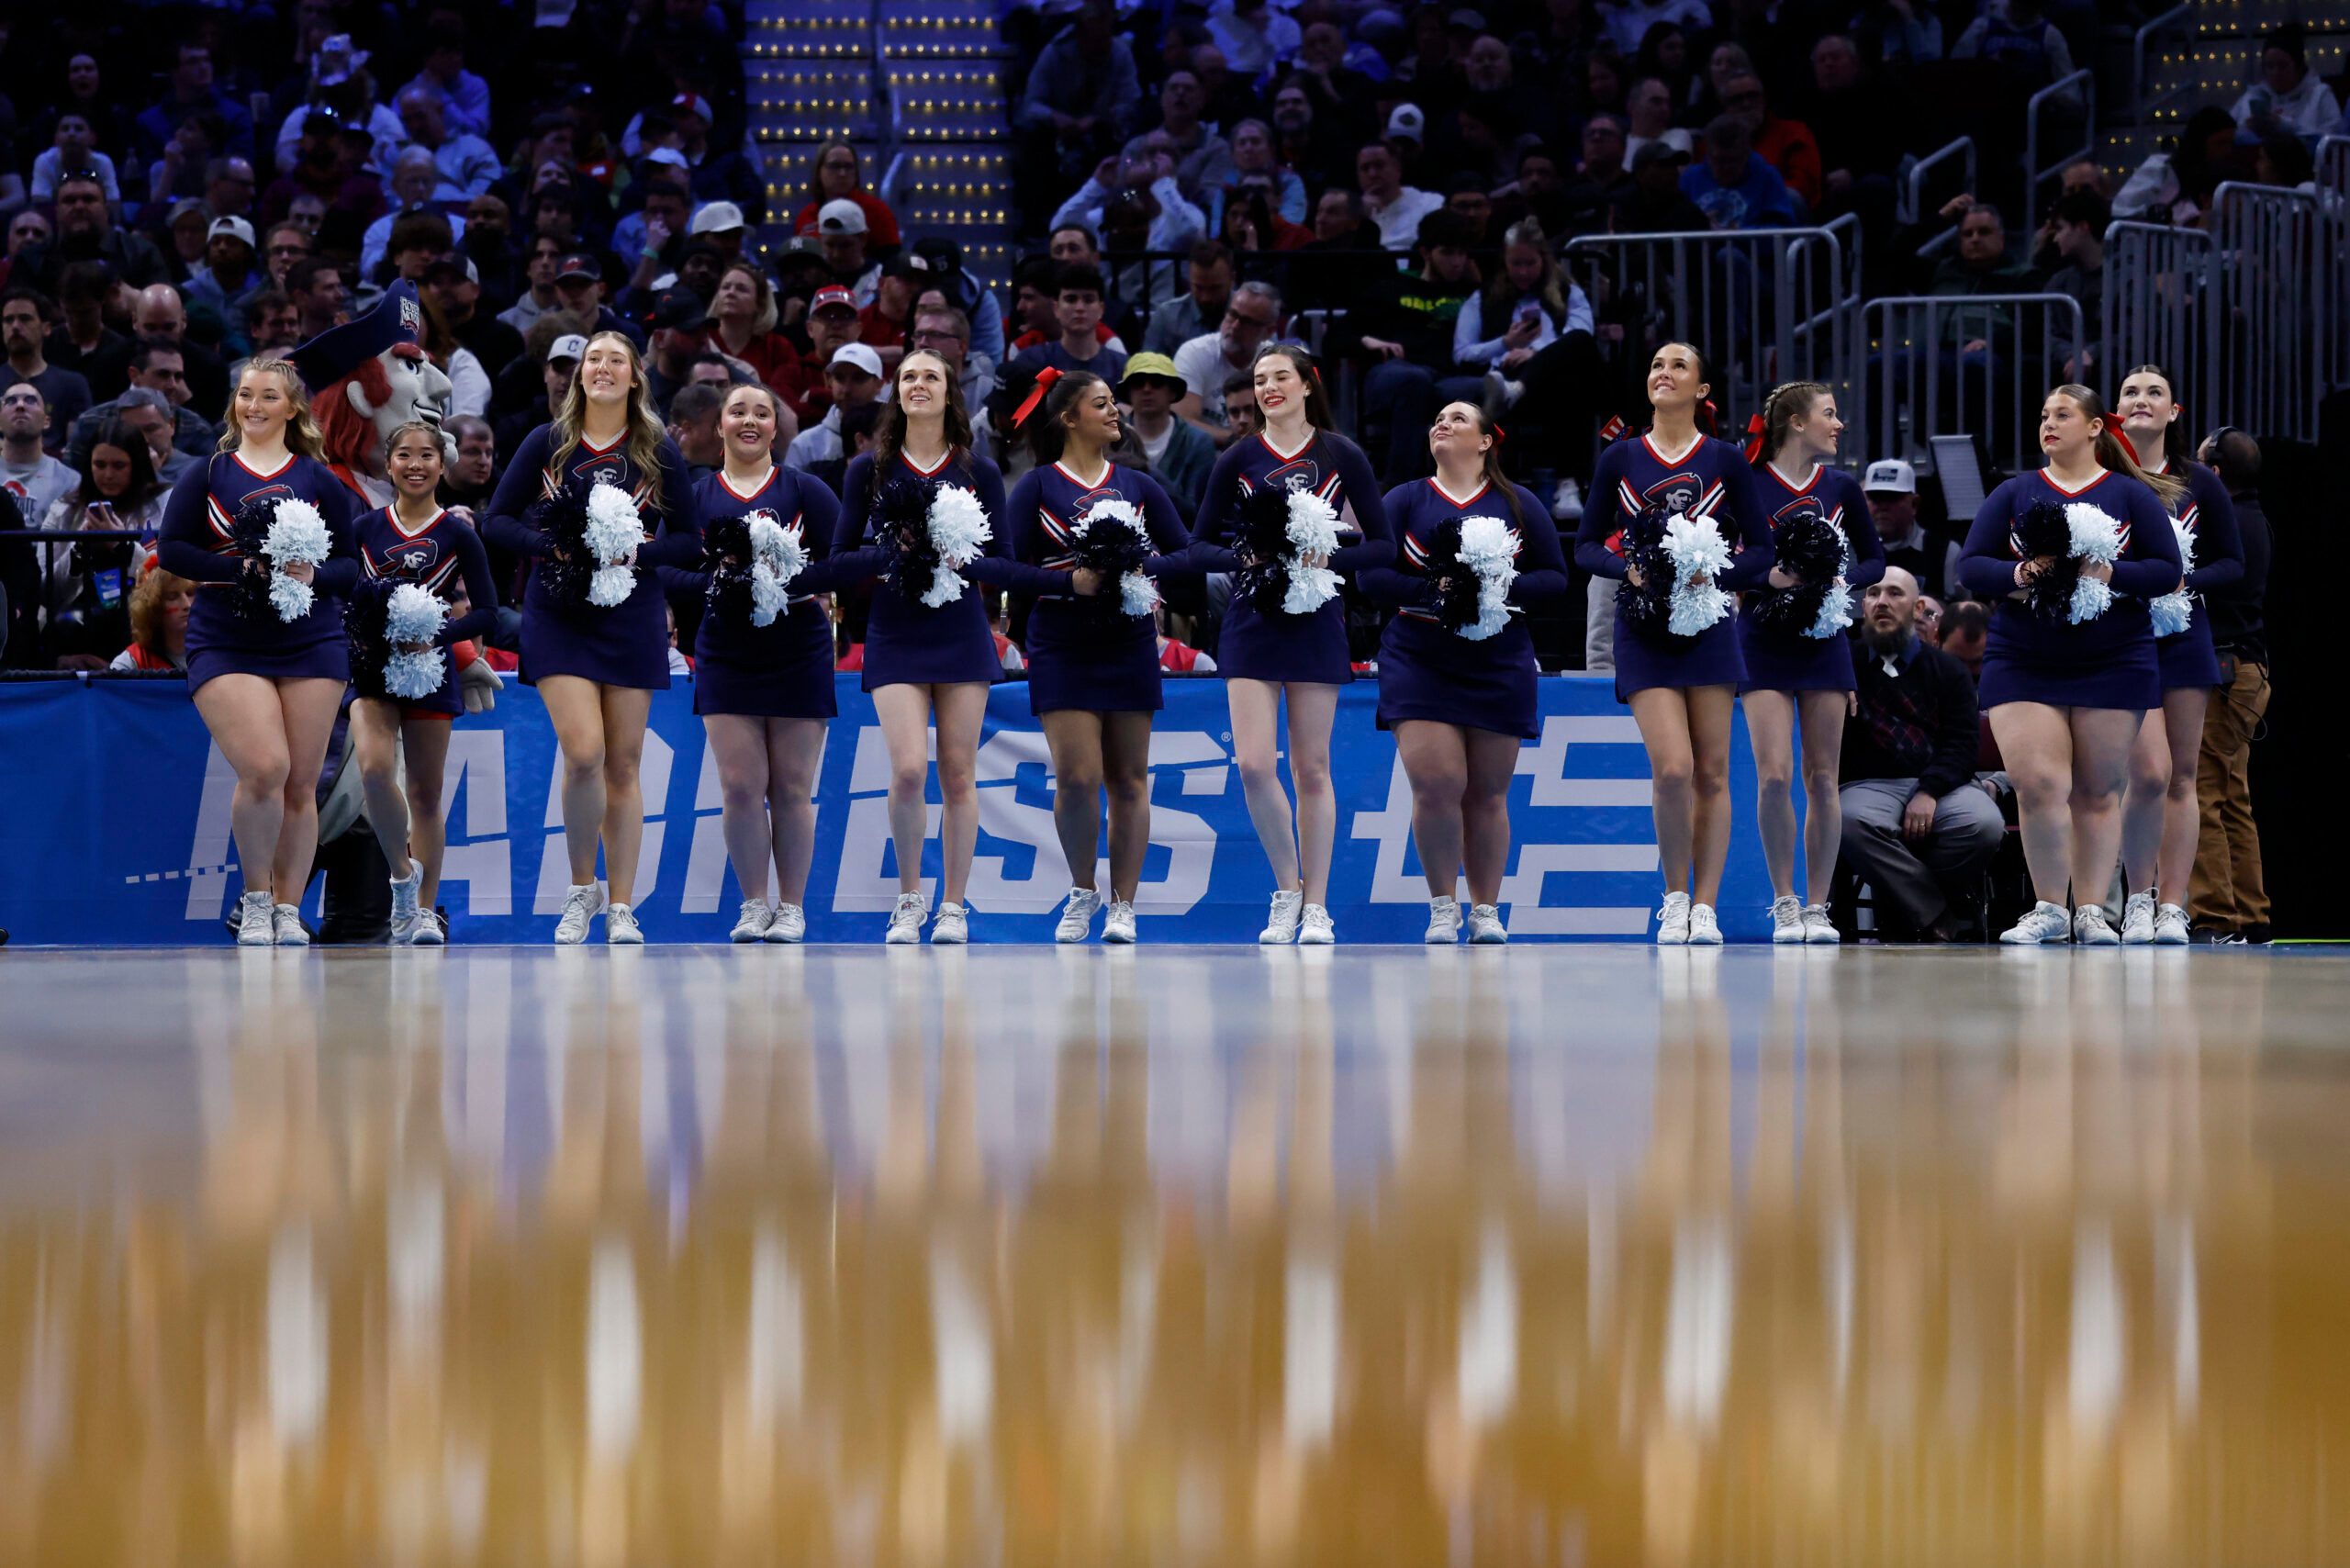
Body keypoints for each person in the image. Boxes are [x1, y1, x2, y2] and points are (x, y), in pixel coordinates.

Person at [484, 331, 701, 945]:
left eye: (616, 360)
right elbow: (497, 520)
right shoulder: (548, 443)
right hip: (557, 613)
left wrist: (640, 551)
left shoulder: (656, 448)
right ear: (580, 377)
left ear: (636, 377)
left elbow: (690, 540)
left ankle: (624, 904)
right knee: (584, 754)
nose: (602, 368)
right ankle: (583, 890)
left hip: (631, 613)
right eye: (593, 360)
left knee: (624, 763)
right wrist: (551, 547)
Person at [1954, 385, 2183, 945]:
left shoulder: (2130, 496)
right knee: (2038, 784)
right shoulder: (2015, 492)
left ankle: (2092, 911)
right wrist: (2023, 573)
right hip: (2024, 656)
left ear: (2094, 428)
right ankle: (2050, 908)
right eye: (2043, 415)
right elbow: (1971, 566)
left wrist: (2110, 575)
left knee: (2099, 791)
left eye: (2062, 414)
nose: (2049, 424)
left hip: (2114, 657)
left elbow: (2166, 571)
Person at [1187, 342, 1394, 944]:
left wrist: (1333, 549)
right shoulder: (1238, 457)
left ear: (1308, 383)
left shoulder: (1340, 453)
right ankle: (1287, 890)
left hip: (1316, 614)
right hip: (1253, 617)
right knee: (1253, 764)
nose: (1269, 387)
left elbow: (1381, 546)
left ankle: (1319, 905)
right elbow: (1198, 548)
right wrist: (1246, 556)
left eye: (1281, 376)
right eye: (1260, 379)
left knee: (1312, 766)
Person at [1574, 342, 1779, 945]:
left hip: (1709, 625)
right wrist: (1628, 570)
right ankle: (1675, 895)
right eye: (1656, 364)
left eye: (1678, 366)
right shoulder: (1620, 458)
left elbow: (1762, 551)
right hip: (1643, 628)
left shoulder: (1726, 460)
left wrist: (1715, 571)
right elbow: (1586, 546)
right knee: (1672, 769)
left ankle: (1706, 906)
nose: (1663, 373)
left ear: (1703, 391)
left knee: (1712, 773)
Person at [154, 359, 363, 946]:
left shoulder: (320, 480)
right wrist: (237, 567)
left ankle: (290, 911)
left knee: (300, 782)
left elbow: (349, 567)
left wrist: (310, 573)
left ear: (292, 408)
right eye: (245, 395)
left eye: (267, 396)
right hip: (226, 639)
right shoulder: (209, 473)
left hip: (311, 640)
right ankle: (255, 899)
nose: (253, 405)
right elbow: (172, 550)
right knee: (266, 766)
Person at [830, 349, 1020, 945]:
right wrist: (895, 550)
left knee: (959, 773)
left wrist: (963, 557)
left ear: (949, 392)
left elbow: (1004, 561)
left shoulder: (977, 469)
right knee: (910, 768)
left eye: (930, 376)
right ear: (897, 392)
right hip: (895, 629)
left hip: (960, 628)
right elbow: (839, 559)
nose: (918, 384)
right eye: (908, 376)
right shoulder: (869, 469)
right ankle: (909, 898)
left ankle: (955, 905)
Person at [1361, 402, 1569, 944]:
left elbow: (1555, 577)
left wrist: (1494, 588)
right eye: (1436, 419)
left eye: (1456, 418)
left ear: (1484, 442)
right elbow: (1371, 573)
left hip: (1498, 659)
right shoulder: (1405, 498)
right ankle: (1441, 905)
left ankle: (1486, 909)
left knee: (1488, 794)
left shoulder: (1517, 503)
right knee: (1436, 785)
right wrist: (1435, 590)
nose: (1441, 424)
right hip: (1419, 657)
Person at [1002, 369, 1193, 943]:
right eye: (1104, 404)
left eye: (1116, 405)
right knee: (1078, 777)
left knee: (1130, 778)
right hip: (1062, 642)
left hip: (1128, 640)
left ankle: (1123, 905)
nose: (1118, 413)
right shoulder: (1037, 486)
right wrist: (1069, 583)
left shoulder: (1138, 485)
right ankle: (1082, 891)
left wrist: (1135, 568)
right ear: (1069, 418)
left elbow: (1184, 556)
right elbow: (1005, 569)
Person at [676, 383, 855, 944]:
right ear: (719, 426)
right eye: (738, 412)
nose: (749, 421)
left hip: (797, 645)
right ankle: (754, 903)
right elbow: (661, 567)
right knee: (739, 785)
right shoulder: (696, 495)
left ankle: (793, 906)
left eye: (762, 412)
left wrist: (785, 581)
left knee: (793, 787)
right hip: (726, 648)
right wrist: (721, 584)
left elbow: (846, 561)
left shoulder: (806, 490)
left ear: (778, 429)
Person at [1740, 382, 1886, 943]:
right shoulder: (1749, 484)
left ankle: (1819, 906)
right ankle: (1784, 900)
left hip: (1823, 638)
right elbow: (1729, 560)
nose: (1839, 423)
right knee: (1774, 775)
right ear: (1796, 423)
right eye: (1830, 413)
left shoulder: (1842, 486)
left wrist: (1836, 576)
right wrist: (1769, 577)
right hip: (1762, 636)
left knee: (1823, 776)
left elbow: (1873, 559)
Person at [349, 421, 500, 945]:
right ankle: (400, 878)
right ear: (388, 465)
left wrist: (436, 635)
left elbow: (488, 613)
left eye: (427, 456)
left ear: (443, 465)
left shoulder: (458, 533)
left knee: (426, 794)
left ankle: (425, 911)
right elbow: (344, 600)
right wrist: (372, 636)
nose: (415, 465)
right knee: (372, 771)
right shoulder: (365, 528)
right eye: (405, 456)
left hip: (431, 670)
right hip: (373, 669)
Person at [2113, 364, 2243, 945]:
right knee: (2144, 774)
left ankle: (2171, 906)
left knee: (2183, 777)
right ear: (2112, 412)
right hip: (2119, 637)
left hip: (2185, 635)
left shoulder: (2199, 481)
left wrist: (2184, 582)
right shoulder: (2101, 477)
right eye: (2131, 392)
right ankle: (2136, 899)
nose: (2142, 400)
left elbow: (2234, 563)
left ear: (2174, 413)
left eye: (2155, 393)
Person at [1838, 566, 2005, 940]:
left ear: (1917, 608)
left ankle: (1901, 903)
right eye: (1874, 593)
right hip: (1868, 785)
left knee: (1985, 825)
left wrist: (1929, 791)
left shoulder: (1948, 670)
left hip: (1942, 786)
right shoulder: (1842, 666)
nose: (1882, 601)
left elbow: (1963, 744)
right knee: (1848, 822)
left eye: (1895, 593)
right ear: (1862, 605)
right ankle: (1934, 911)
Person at [2189, 425, 2270, 943]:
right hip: (2247, 671)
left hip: (2224, 671)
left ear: (2215, 476)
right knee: (2232, 796)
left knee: (2202, 794)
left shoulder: (2228, 527)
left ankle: (2215, 917)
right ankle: (2251, 916)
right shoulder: (2254, 518)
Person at [39, 418, 167, 666]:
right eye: (100, 464)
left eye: (119, 465)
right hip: (71, 628)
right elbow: (43, 590)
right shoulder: (64, 509)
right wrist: (79, 547)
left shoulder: (164, 503)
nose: (108, 475)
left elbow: (170, 581)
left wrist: (122, 546)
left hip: (142, 627)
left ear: (137, 465)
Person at [1171, 281, 1281, 443]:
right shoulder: (1194, 353)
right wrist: (1235, 440)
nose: (1235, 326)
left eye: (1247, 322)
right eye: (1232, 315)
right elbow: (1184, 422)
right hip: (1206, 457)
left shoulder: (1276, 363)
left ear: (1268, 332)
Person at [1120, 353, 1214, 519]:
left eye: (1156, 383)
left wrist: (1144, 469)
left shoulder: (1198, 442)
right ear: (1128, 393)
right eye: (1138, 383)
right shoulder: (1111, 439)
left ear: (1172, 392)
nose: (1147, 389)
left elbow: (1196, 514)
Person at [2231, 24, 2341, 139]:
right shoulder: (2252, 98)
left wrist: (2286, 126)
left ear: (2298, 66)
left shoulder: (2319, 96)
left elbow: (2333, 141)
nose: (2275, 72)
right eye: (2269, 66)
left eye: (2282, 66)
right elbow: (2229, 134)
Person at [111, 561, 196, 672]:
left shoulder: (220, 652)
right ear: (152, 607)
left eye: (190, 593)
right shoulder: (132, 662)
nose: (187, 605)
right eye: (172, 596)